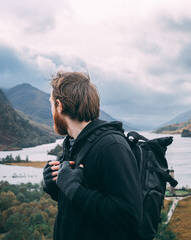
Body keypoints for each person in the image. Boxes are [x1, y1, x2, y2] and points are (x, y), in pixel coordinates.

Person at [43, 71, 142, 240]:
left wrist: (73, 188)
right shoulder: (73, 144)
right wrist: (52, 184)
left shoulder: (111, 146)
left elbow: (128, 216)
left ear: (59, 105)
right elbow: (79, 204)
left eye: (51, 104)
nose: (51, 110)